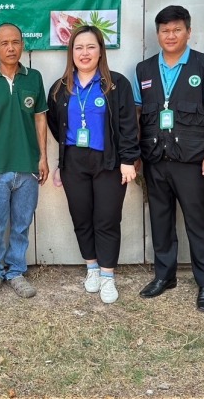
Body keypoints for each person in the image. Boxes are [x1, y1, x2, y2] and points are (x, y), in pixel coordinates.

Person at [133, 6, 204, 312]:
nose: (170, 36)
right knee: (160, 219)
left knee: (198, 222)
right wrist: (134, 155)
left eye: (176, 30)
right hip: (155, 159)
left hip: (192, 160)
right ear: (157, 34)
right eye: (164, 31)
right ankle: (165, 276)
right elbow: (135, 115)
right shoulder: (143, 70)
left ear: (188, 31)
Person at [47, 25, 139, 304]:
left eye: (90, 47)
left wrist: (127, 159)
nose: (84, 53)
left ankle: (108, 276)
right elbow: (55, 124)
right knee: (82, 217)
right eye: (78, 47)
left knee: (107, 219)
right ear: (70, 52)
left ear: (100, 50)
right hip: (74, 161)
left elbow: (128, 125)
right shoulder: (61, 87)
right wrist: (63, 159)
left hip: (109, 161)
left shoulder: (116, 84)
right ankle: (92, 268)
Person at [0, 23, 48, 301]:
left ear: (23, 44)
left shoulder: (34, 77)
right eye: (4, 43)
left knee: (21, 223)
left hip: (27, 166)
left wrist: (43, 157)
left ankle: (16, 271)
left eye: (15, 42)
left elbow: (40, 118)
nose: (11, 47)